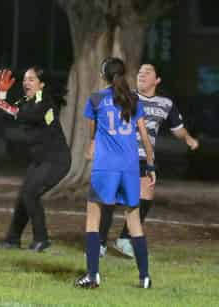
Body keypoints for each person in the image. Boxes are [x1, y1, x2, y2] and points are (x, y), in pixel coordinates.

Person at [98, 63, 199, 258]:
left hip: (144, 156)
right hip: (122, 154)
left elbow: (177, 129)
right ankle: (100, 242)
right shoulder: (127, 97)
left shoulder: (166, 104)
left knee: (146, 195)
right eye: (140, 72)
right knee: (110, 198)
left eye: (148, 72)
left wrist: (188, 139)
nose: (142, 74)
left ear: (157, 79)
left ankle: (125, 239)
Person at [74, 57, 156, 289]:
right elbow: (145, 137)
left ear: (104, 76)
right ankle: (145, 276)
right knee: (134, 222)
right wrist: (150, 166)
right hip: (130, 167)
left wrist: (92, 144)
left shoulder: (96, 99)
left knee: (93, 220)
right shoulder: (133, 99)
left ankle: (92, 275)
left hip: (106, 166)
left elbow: (92, 134)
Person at [0, 67, 71, 252]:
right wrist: (2, 94)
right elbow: (5, 116)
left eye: (31, 80)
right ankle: (12, 240)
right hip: (40, 160)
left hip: (56, 160)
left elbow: (30, 115)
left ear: (41, 85)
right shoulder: (26, 101)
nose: (26, 83)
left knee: (30, 194)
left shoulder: (46, 101)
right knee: (24, 196)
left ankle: (41, 240)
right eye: (25, 79)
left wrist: (7, 106)